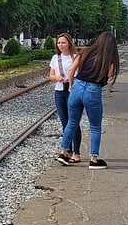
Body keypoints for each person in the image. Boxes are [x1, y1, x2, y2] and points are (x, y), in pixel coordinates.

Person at [61, 30, 120, 169]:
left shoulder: (85, 52)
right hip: (93, 90)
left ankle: (63, 153)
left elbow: (71, 70)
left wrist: (70, 85)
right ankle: (94, 159)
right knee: (95, 126)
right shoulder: (108, 59)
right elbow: (109, 75)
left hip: (77, 87)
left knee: (72, 122)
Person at [48, 33, 81, 165]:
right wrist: (57, 78)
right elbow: (51, 75)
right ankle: (67, 149)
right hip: (59, 91)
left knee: (74, 122)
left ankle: (76, 152)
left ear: (69, 43)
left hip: (72, 91)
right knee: (64, 122)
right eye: (59, 43)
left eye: (63, 42)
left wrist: (71, 78)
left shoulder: (75, 57)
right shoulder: (56, 58)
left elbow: (80, 73)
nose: (60, 45)